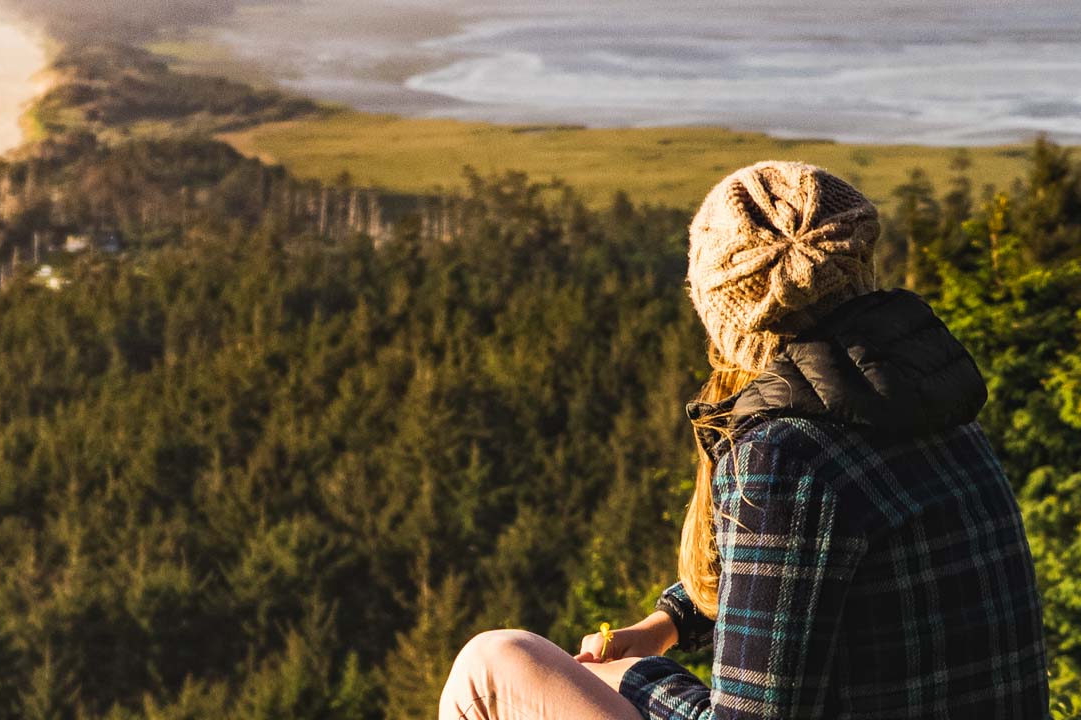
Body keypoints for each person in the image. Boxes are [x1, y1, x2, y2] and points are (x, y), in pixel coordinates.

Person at [435, 161, 1050, 719]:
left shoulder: (789, 456)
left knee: (494, 664)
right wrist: (666, 622)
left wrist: (642, 677)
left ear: (723, 310)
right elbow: (805, 574)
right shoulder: (931, 404)